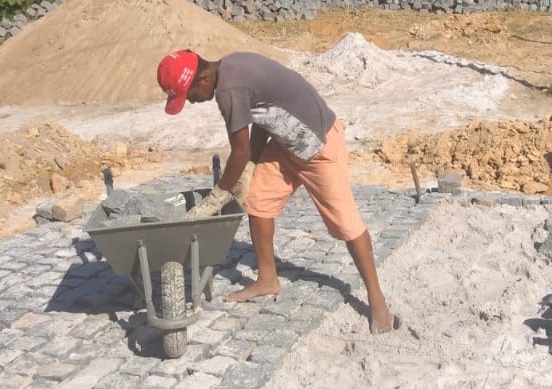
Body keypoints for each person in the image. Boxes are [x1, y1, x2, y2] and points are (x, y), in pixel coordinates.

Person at [156, 48, 397, 334]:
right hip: (286, 146)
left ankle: (377, 300)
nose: (192, 101)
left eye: (189, 95)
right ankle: (267, 279)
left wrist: (220, 193)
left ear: (204, 78)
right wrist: (253, 165)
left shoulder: (228, 90)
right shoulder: (231, 65)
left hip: (319, 146)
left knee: (347, 223)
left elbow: (239, 151)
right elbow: (264, 116)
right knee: (258, 201)